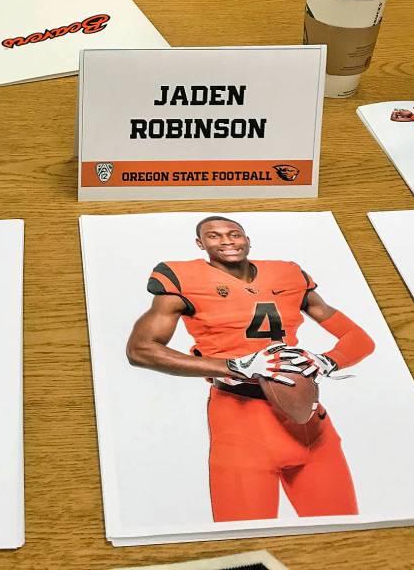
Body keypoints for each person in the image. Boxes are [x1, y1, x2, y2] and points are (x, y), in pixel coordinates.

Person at [126, 215, 375, 522]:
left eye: (234, 234)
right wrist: (233, 366)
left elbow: (359, 339)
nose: (227, 241)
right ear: (200, 244)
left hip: (307, 419)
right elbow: (140, 349)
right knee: (246, 541)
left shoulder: (287, 274)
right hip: (239, 421)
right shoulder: (182, 277)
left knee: (343, 534)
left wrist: (327, 360)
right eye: (214, 236)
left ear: (247, 239)